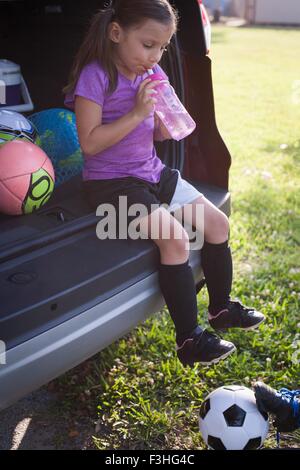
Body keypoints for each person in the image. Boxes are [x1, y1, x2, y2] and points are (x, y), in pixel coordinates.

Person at [63, 0, 265, 368]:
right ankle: (189, 339)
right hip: (112, 184)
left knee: (218, 224)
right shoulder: (95, 76)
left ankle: (221, 309)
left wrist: (159, 122)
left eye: (162, 48)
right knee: (174, 239)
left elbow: (152, 135)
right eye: (147, 44)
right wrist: (137, 112)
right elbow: (90, 143)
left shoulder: (149, 76)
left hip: (153, 173)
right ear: (116, 33)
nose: (155, 56)